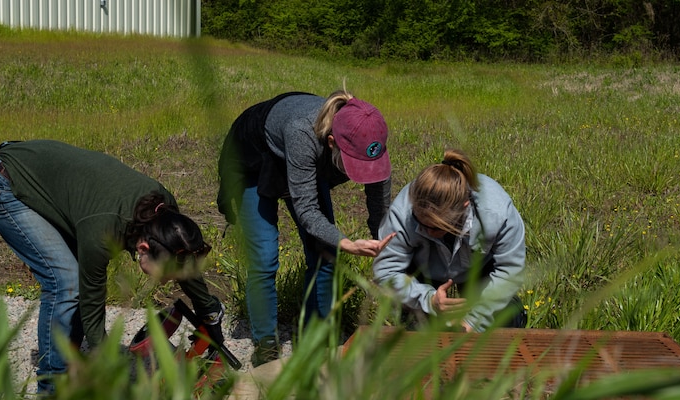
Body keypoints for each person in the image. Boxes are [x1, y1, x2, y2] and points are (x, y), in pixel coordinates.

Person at [0, 140, 226, 395]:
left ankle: (71, 366)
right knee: (66, 282)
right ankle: (52, 392)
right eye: (162, 276)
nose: (164, 283)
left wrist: (209, 312)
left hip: (45, 175)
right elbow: (92, 305)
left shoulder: (165, 212)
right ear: (143, 249)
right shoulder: (102, 231)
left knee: (73, 279)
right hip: (1, 180)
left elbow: (183, 255)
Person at [217, 90, 395, 366]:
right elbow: (308, 211)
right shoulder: (303, 132)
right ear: (333, 143)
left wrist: (382, 241)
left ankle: (312, 335)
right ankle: (266, 342)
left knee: (325, 255)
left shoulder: (369, 137)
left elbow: (379, 202)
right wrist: (346, 242)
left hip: (301, 159)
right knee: (265, 258)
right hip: (254, 160)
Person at [373, 148, 527, 332]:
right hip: (423, 271)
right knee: (420, 330)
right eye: (420, 224)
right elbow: (386, 272)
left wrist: (474, 321)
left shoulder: (497, 212)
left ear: (464, 208)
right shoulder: (402, 213)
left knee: (507, 317)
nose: (426, 231)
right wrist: (428, 300)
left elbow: (510, 271)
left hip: (479, 268)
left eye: (436, 228)